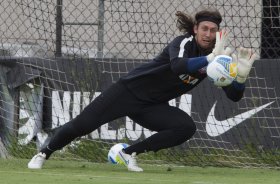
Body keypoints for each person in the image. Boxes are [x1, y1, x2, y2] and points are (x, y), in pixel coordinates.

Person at [28, 9, 257, 172]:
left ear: (219, 33)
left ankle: (128, 153)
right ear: (196, 29)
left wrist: (241, 76)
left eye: (213, 30)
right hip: (128, 91)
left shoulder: (219, 59)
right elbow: (178, 67)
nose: (208, 34)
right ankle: (43, 153)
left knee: (185, 127)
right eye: (204, 29)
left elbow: (234, 96)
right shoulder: (183, 42)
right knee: (81, 125)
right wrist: (210, 57)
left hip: (151, 105)